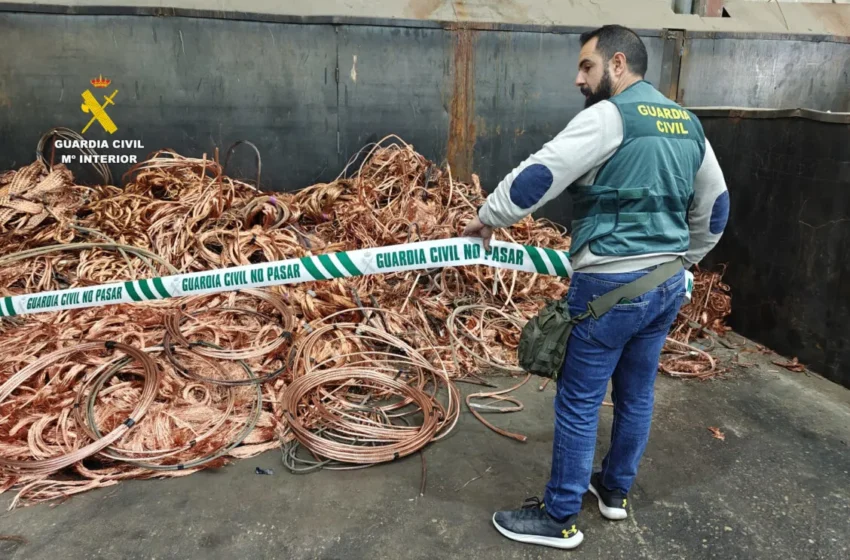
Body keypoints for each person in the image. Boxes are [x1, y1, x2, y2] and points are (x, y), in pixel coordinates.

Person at [462, 24, 729, 550]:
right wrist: (686, 259)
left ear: (618, 64)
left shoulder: (611, 116)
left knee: (580, 401)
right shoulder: (687, 123)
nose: (578, 78)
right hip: (666, 285)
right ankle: (613, 492)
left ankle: (560, 516)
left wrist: (489, 215)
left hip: (609, 286)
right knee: (636, 394)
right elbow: (717, 208)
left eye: (587, 66)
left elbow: (541, 173)